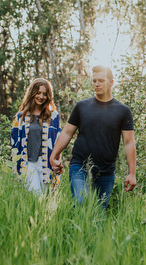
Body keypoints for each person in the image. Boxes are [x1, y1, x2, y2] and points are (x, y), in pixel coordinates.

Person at [50, 65, 137, 209]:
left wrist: (132, 173)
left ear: (111, 82)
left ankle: (79, 229)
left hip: (106, 171)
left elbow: (129, 143)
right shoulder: (82, 107)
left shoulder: (123, 111)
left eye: (101, 80)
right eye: (94, 80)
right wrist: (54, 155)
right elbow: (67, 132)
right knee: (81, 202)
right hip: (80, 166)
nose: (96, 84)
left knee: (98, 213)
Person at [10, 78, 61, 194]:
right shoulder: (21, 117)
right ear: (32, 93)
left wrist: (58, 161)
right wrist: (14, 168)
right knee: (35, 197)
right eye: (38, 93)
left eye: (44, 94)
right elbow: (15, 143)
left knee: (47, 199)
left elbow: (58, 141)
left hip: (47, 163)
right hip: (28, 163)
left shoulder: (53, 116)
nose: (41, 97)